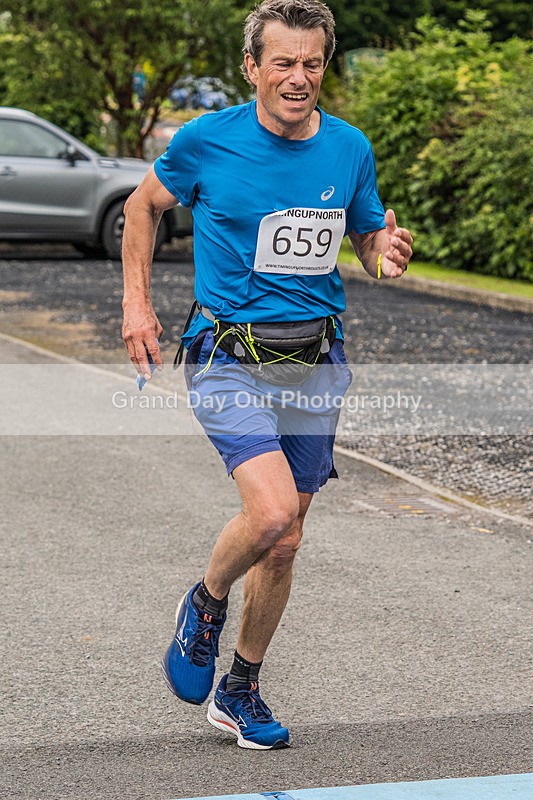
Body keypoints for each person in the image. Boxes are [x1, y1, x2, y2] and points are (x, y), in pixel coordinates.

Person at [121, 0, 412, 751]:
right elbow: (142, 206)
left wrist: (383, 249)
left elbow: (365, 234)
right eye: (282, 62)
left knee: (283, 542)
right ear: (251, 67)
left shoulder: (349, 147)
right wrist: (137, 307)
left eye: (311, 63)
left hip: (314, 361)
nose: (297, 77)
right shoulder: (205, 140)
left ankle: (239, 688)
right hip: (227, 355)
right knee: (273, 511)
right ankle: (206, 601)